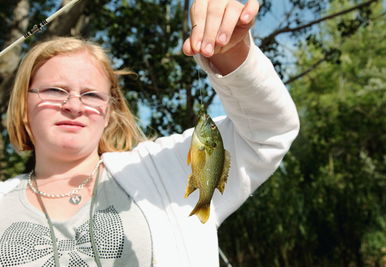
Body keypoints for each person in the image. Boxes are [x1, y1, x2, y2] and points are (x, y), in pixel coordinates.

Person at [0, 0, 299, 266]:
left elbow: (266, 131)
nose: (74, 105)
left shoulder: (162, 171)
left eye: (91, 94)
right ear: (24, 108)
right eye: (55, 90)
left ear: (109, 113)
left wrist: (232, 53)